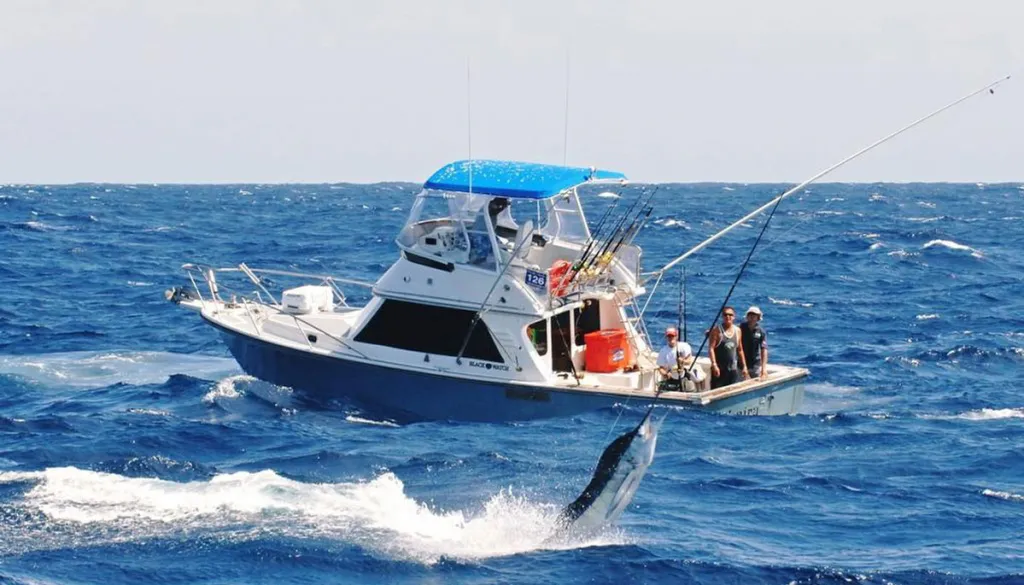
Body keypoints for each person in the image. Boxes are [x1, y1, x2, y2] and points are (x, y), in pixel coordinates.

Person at [708, 307, 749, 389]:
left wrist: (744, 366)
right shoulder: (716, 331)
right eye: (725, 314)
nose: (728, 316)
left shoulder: (737, 331)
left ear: (734, 317)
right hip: (719, 370)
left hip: (732, 370)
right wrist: (714, 365)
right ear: (722, 317)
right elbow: (711, 348)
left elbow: (740, 350)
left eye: (730, 315)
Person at [656, 327, 703, 391]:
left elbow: (689, 361)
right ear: (666, 337)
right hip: (671, 379)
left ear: (676, 336)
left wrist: (682, 361)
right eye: (669, 336)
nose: (670, 338)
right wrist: (665, 374)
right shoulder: (663, 351)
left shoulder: (684, 346)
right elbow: (661, 368)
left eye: (672, 336)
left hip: (684, 378)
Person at [739, 306, 768, 380]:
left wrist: (763, 368)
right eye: (750, 315)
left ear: (758, 317)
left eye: (754, 315)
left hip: (755, 365)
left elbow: (764, 349)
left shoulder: (761, 331)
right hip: (740, 365)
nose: (752, 317)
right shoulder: (740, 328)